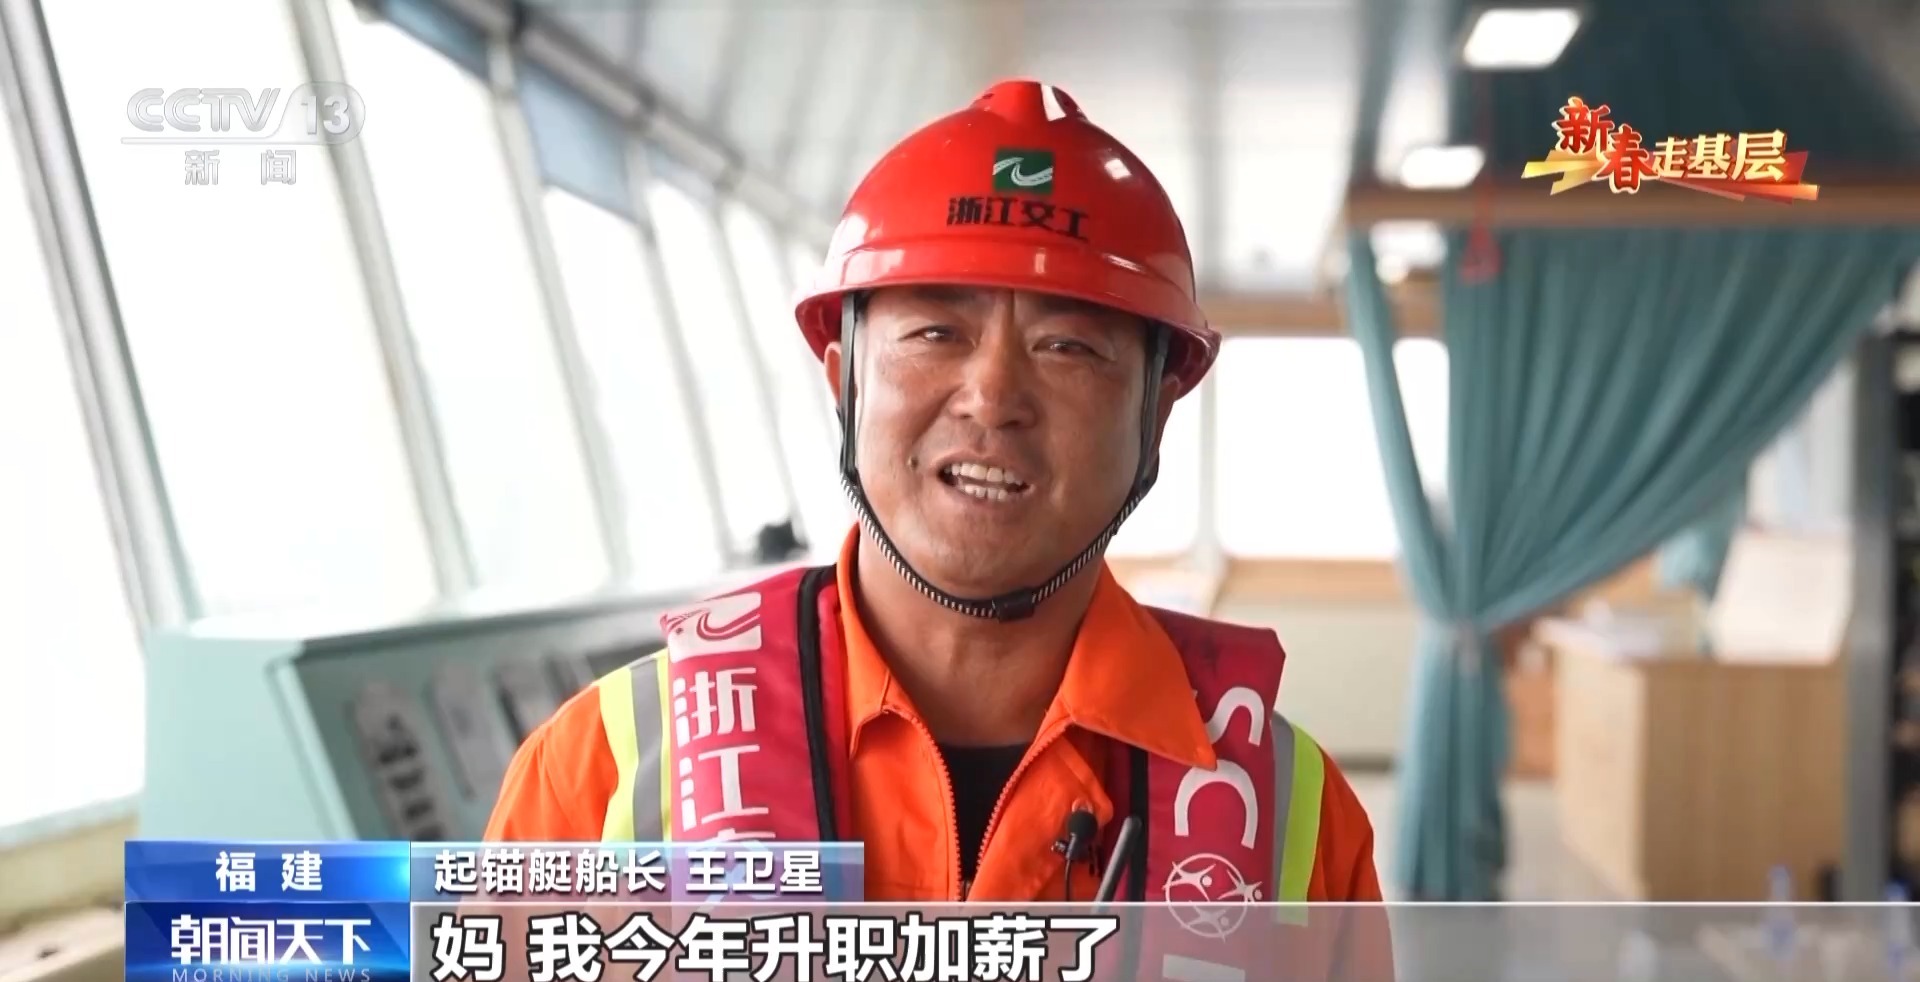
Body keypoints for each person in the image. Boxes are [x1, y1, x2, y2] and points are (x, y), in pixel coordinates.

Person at [487, 78, 1389, 977]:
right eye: (934, 333)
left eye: (1068, 346)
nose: (992, 397)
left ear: (1153, 418)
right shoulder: (604, 773)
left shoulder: (1289, 823)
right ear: (844, 382)